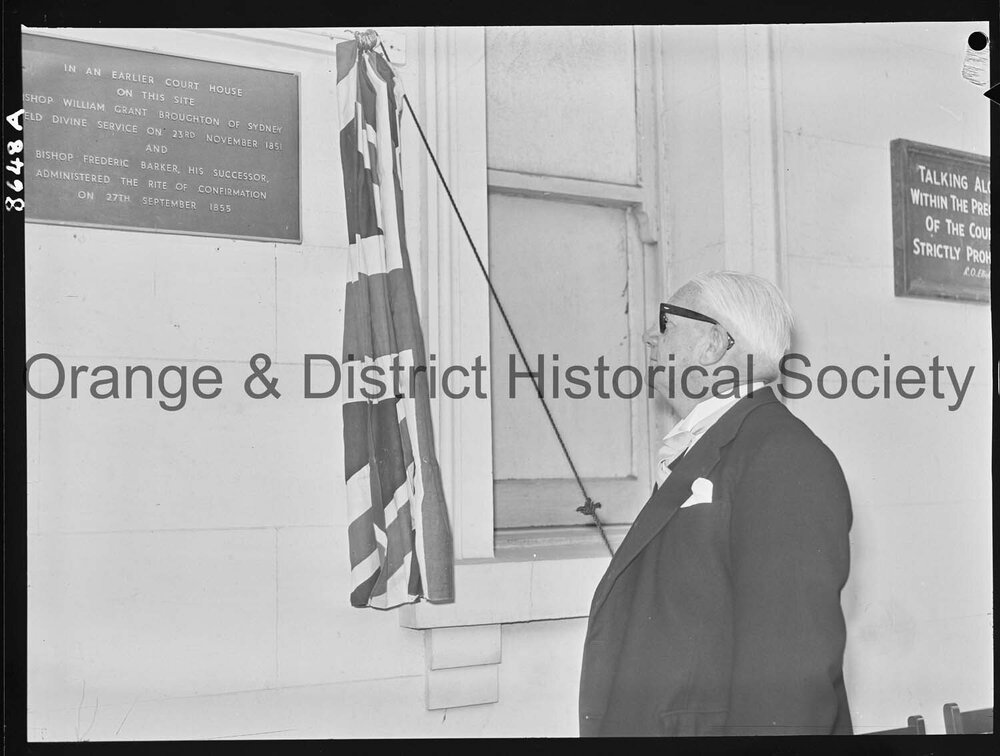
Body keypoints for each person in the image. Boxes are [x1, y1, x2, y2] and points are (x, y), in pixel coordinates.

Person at [579, 271, 853, 737]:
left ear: (712, 343)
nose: (650, 334)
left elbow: (787, 689)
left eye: (666, 322)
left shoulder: (783, 456)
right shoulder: (720, 444)